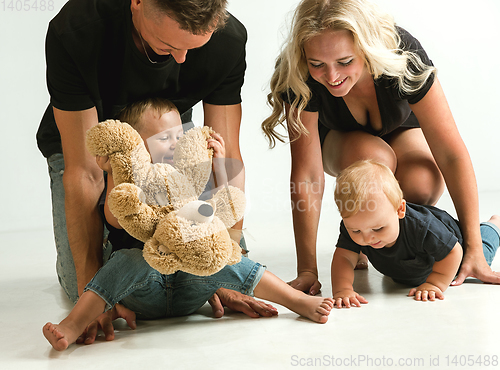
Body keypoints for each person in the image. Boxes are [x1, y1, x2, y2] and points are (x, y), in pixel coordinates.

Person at [37, 0, 253, 343]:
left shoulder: (227, 39)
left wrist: (223, 263)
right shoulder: (77, 31)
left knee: (218, 248)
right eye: (168, 46)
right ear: (137, 3)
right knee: (79, 278)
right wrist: (91, 294)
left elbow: (224, 157)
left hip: (168, 130)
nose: (181, 60)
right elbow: (85, 171)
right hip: (94, 144)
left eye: (193, 48)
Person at [42, 99, 334, 351]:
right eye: (163, 138)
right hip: (144, 288)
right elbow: (114, 218)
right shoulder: (130, 181)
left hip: (194, 285)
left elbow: (225, 211)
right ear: (137, 148)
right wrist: (118, 172)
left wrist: (220, 168)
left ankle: (294, 300)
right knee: (124, 262)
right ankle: (74, 323)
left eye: (179, 136)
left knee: (230, 258)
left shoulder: (193, 177)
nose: (176, 144)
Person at [261, 0, 500, 296]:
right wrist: (307, 269)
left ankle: (382, 237)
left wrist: (474, 248)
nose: (332, 77)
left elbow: (450, 153)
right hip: (342, 141)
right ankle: (358, 239)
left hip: (400, 129)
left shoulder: (402, 52)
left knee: (421, 183)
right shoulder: (297, 72)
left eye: (345, 61)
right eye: (318, 64)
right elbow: (307, 175)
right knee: (374, 160)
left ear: (367, 47)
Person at [330, 160, 500, 307]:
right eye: (356, 230)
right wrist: (343, 289)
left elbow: (453, 252)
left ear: (400, 210)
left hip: (454, 253)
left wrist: (435, 284)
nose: (367, 238)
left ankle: (493, 225)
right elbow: (343, 258)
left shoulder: (422, 227)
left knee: (481, 253)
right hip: (411, 269)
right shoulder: (356, 224)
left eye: (378, 229)